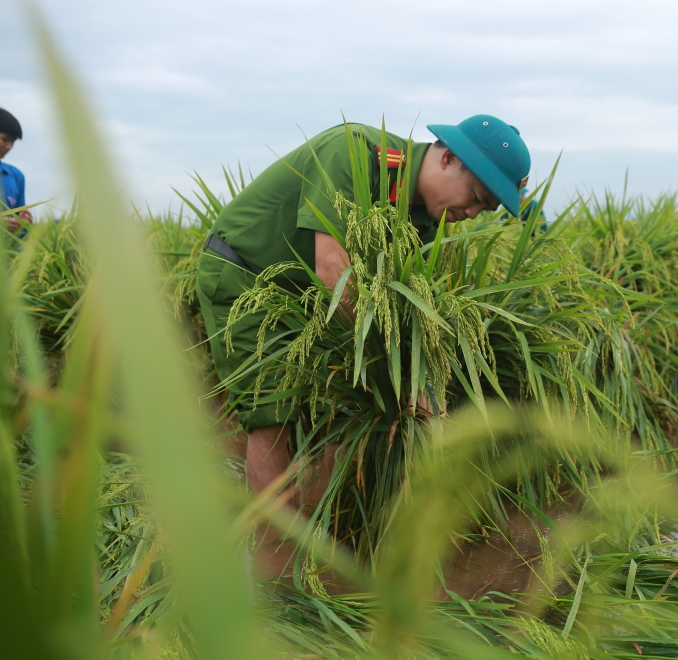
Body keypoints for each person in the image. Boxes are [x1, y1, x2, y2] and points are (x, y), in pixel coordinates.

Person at [196, 115, 530, 509]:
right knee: (273, 414)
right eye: (475, 196)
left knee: (344, 409)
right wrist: (395, 368)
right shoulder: (354, 152)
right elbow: (333, 271)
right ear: (447, 160)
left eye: (484, 210)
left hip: (310, 297)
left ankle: (324, 542)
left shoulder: (423, 219)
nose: (472, 213)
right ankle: (278, 559)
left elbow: (399, 306)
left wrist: (421, 384)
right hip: (247, 277)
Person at [0, 106, 32, 233]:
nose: (9, 146)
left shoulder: (16, 176)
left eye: (13, 142)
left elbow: (21, 230)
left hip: (9, 252)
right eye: (5, 139)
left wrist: (23, 222)